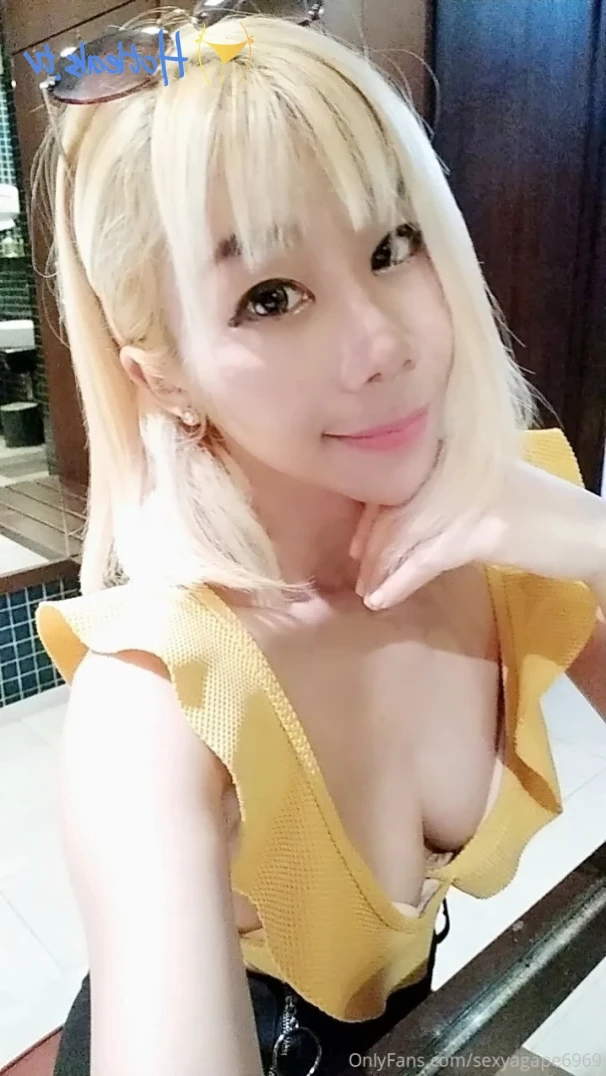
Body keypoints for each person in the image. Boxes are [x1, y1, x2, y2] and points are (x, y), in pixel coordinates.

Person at [32, 4, 606, 1074]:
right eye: (271, 297)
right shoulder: (159, 701)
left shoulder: (511, 524)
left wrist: (594, 536)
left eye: (393, 244)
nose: (382, 342)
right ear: (165, 377)